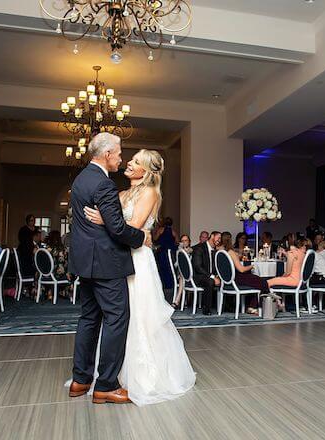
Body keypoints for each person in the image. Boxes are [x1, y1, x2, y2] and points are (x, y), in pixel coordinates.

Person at [79, 140, 195, 405]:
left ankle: (141, 376)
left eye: (135, 162)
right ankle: (111, 374)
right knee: (117, 317)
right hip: (117, 257)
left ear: (146, 172)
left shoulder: (150, 193)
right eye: (128, 160)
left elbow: (133, 226)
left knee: (138, 315)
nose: (128, 163)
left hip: (137, 261)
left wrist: (105, 220)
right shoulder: (121, 193)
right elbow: (122, 227)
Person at [219, 234, 269, 315]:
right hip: (237, 278)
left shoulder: (220, 252)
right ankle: (253, 306)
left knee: (258, 282)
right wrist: (252, 266)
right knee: (263, 282)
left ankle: (255, 305)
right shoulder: (230, 252)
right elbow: (241, 269)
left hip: (227, 279)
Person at [191, 231, 222, 315]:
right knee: (210, 281)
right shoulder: (199, 248)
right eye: (218, 238)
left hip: (209, 275)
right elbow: (197, 267)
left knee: (226, 280)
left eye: (220, 238)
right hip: (199, 276)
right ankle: (206, 309)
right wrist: (212, 276)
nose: (219, 240)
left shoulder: (215, 250)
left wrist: (218, 276)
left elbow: (215, 266)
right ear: (212, 236)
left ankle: (225, 307)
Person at [153, 217, 178, 291]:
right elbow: (177, 241)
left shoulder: (161, 230)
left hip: (162, 252)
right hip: (170, 252)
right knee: (169, 268)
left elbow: (155, 238)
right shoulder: (173, 231)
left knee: (162, 268)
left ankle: (163, 284)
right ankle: (170, 285)